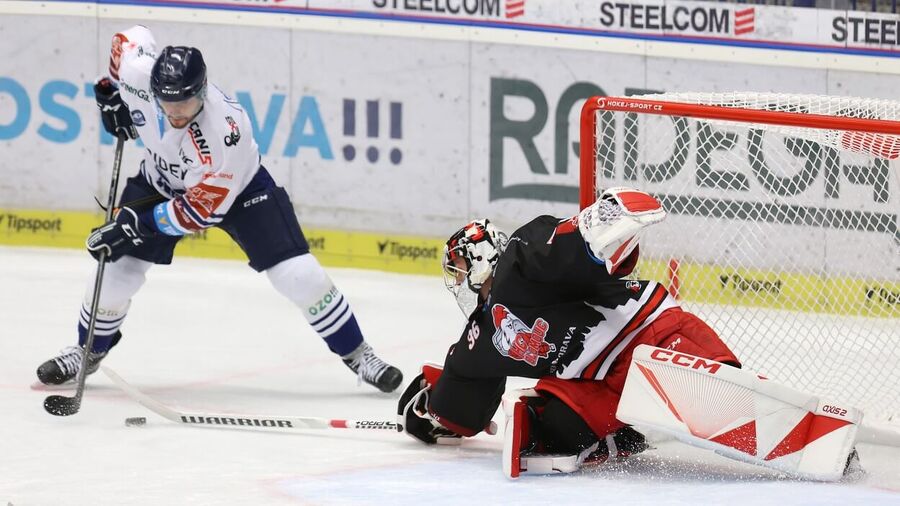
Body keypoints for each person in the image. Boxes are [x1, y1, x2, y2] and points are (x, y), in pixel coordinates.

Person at [35, 25, 403, 393]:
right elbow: (128, 40)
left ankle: (358, 353)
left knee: (300, 276)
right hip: (159, 180)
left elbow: (197, 214)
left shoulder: (225, 132)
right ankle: (87, 351)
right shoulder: (139, 74)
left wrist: (137, 225)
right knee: (114, 273)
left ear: (202, 90)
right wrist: (111, 92)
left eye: (186, 103)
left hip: (238, 192)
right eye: (168, 102)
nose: (176, 112)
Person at [396, 187, 743, 474]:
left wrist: (598, 223)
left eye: (457, 267)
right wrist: (432, 406)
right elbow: (463, 403)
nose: (456, 279)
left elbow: (556, 245)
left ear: (480, 259)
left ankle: (733, 392)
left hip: (649, 333)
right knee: (556, 424)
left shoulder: (517, 270)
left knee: (714, 389)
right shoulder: (480, 336)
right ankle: (614, 436)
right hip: (607, 384)